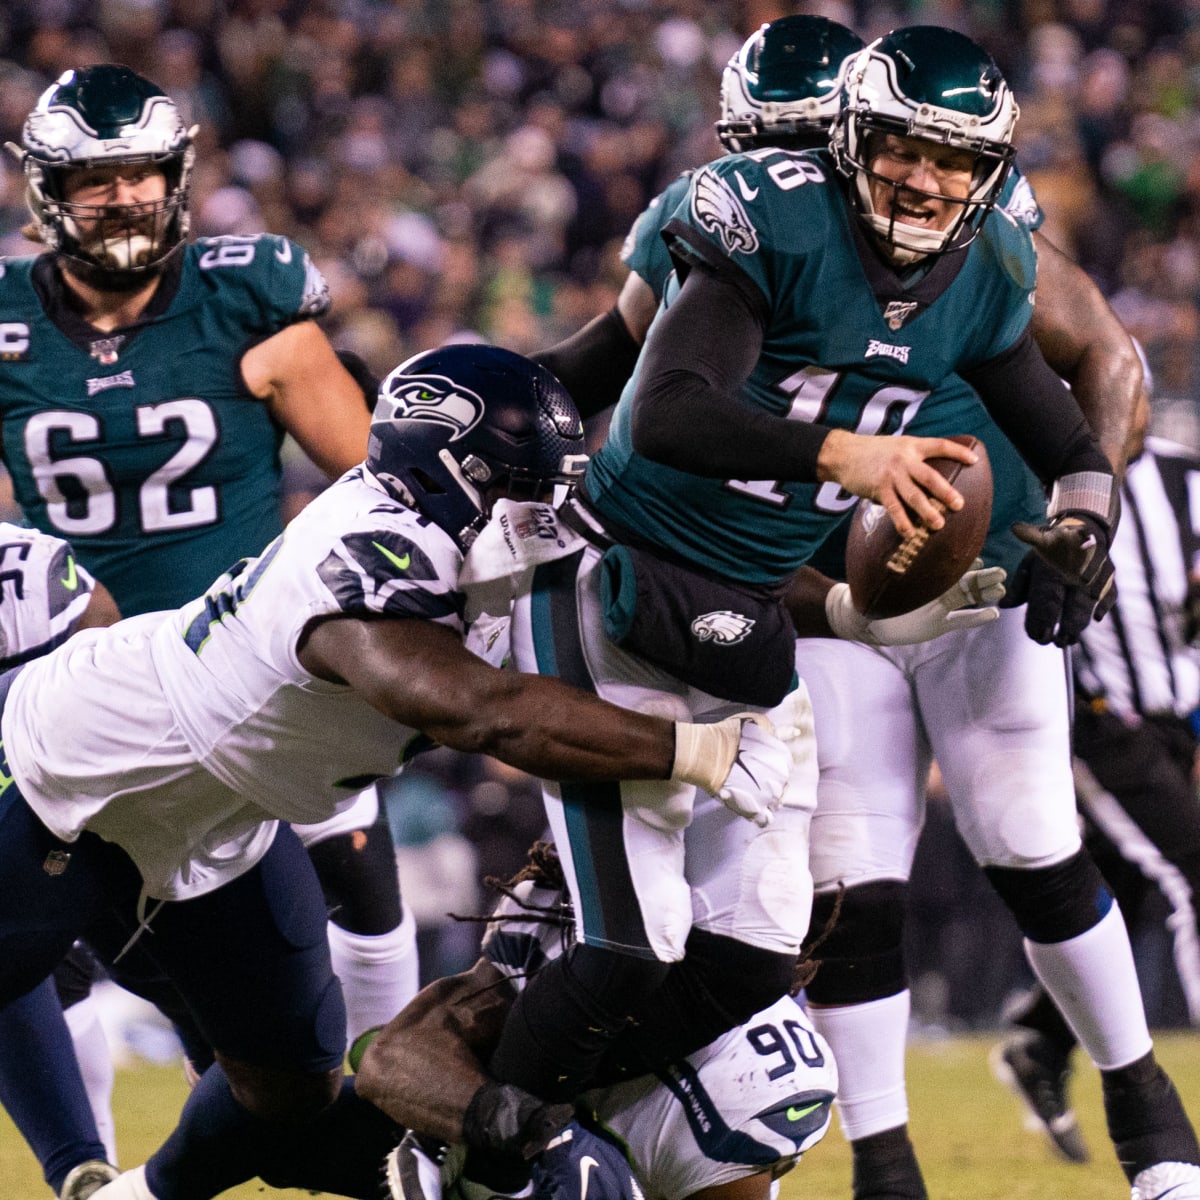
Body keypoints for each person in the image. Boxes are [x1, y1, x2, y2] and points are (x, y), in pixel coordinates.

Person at [477, 17, 1149, 1200]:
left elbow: (1069, 415)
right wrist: (844, 456)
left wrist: (1087, 523)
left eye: (952, 161)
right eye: (896, 149)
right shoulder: (759, 222)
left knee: (765, 943)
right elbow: (654, 401)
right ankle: (498, 1123)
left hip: (789, 599)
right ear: (839, 143)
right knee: (653, 929)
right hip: (663, 575)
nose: (921, 181)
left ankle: (542, 1098)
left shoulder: (985, 258)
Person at [0, 342, 802, 1200]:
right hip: (87, 767)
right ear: (435, 466)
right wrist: (694, 752)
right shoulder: (367, 544)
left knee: (292, 1096)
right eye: (515, 485)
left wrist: (846, 611)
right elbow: (474, 708)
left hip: (230, 816)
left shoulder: (478, 536)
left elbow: (659, 566)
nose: (540, 511)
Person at [0, 62, 415, 1195]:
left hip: (256, 679)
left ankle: (390, 1132)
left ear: (178, 178)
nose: (124, 199)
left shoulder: (249, 298)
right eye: (95, 181)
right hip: (80, 698)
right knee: (44, 950)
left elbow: (381, 485)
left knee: (356, 913)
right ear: (48, 191)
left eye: (140, 173)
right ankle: (85, 1169)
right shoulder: (7, 331)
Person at [355, 842, 839, 1200]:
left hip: (714, 1115)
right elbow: (386, 1058)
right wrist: (528, 1127)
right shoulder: (548, 921)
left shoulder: (736, 1092)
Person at [992, 357, 1200, 1166]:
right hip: (1104, 721)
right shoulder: (1051, 487)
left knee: (1135, 882)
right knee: (1190, 870)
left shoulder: (1185, 475)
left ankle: (1041, 1041)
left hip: (1181, 713)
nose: (1129, 411)